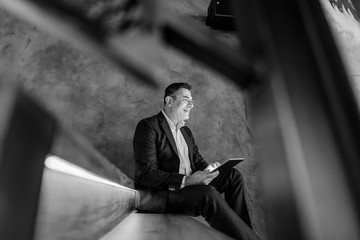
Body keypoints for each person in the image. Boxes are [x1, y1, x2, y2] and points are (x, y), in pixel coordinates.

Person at [133, 82, 259, 240]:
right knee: (208, 194)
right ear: (169, 101)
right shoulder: (148, 127)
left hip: (189, 188)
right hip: (163, 195)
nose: (191, 105)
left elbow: (198, 162)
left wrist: (210, 170)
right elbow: (147, 174)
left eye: (192, 101)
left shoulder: (186, 131)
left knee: (232, 175)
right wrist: (187, 180)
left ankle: (244, 234)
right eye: (186, 99)